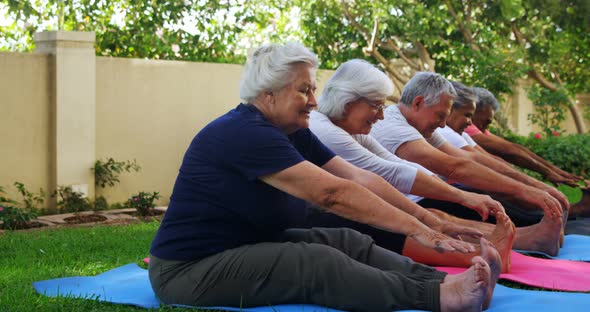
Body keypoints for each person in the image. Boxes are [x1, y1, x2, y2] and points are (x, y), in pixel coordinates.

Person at [148, 43, 499, 312]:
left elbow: (357, 177)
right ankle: (439, 297)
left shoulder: (291, 130)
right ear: (268, 94)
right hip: (188, 271)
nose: (314, 102)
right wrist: (418, 228)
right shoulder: (243, 132)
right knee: (314, 263)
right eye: (304, 90)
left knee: (345, 240)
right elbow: (332, 194)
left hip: (244, 245)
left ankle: (442, 280)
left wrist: (428, 219)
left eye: (312, 90)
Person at [309, 59, 568, 268]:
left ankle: (513, 243)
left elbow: (395, 166)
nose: (380, 114)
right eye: (376, 106)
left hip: (383, 197)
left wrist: (447, 207)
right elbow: (391, 173)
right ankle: (475, 259)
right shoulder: (327, 128)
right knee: (389, 219)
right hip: (326, 218)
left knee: (433, 214)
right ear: (349, 100)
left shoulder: (349, 128)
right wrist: (461, 199)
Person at [370, 72, 566, 256]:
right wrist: (525, 189)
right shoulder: (391, 126)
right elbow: (454, 167)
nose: (442, 124)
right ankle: (530, 239)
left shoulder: (413, 123)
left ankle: (531, 236)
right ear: (418, 103)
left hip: (411, 197)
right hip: (399, 204)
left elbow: (469, 160)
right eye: (440, 116)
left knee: (446, 207)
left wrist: (532, 186)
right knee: (434, 214)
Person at [467, 87, 590, 218]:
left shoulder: (471, 128)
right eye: (485, 121)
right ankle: (567, 212)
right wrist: (546, 175)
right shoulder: (466, 127)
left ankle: (563, 212)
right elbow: (509, 152)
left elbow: (514, 148)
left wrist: (554, 171)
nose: (485, 127)